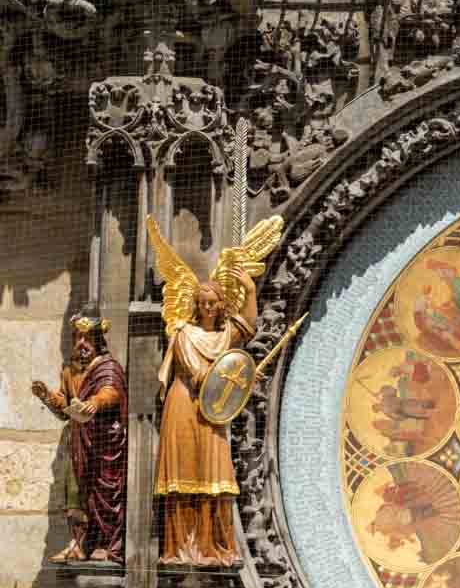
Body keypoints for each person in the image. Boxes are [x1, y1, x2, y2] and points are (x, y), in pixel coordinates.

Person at [146, 214, 283, 566]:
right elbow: (198, 374)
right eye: (202, 302)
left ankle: (213, 547)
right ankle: (179, 548)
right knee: (182, 472)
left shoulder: (225, 335)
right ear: (195, 304)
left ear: (221, 304)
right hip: (185, 404)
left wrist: (249, 289)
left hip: (212, 411)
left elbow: (247, 325)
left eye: (213, 302)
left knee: (215, 473)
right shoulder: (183, 334)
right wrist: (236, 379)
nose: (207, 307)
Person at [32, 313, 128, 562]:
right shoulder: (70, 370)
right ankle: (79, 543)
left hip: (103, 444)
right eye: (77, 337)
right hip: (78, 442)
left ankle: (105, 544)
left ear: (97, 340)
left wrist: (96, 401)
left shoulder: (108, 367)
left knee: (104, 493)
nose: (81, 343)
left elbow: (112, 391)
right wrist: (48, 397)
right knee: (75, 494)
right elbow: (64, 409)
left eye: (87, 338)